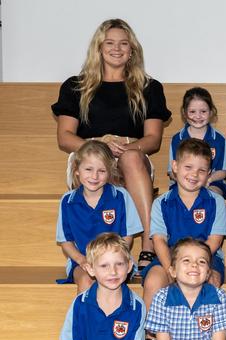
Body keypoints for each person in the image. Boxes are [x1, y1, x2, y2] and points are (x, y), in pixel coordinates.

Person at [51, 18, 171, 271]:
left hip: (132, 151)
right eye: (110, 43)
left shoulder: (149, 88)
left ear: (132, 50)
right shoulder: (75, 86)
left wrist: (126, 149)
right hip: (88, 152)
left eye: (123, 43)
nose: (116, 48)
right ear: (99, 48)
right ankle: (96, 253)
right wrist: (100, 147)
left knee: (131, 158)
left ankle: (148, 246)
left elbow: (153, 139)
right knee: (95, 162)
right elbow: (65, 137)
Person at [143, 138, 226, 311]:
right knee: (154, 280)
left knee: (210, 281)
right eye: (188, 167)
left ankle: (203, 334)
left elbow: (214, 241)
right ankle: (149, 335)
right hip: (169, 257)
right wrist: (172, 269)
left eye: (201, 170)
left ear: (209, 174)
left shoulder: (217, 202)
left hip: (206, 258)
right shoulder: (161, 203)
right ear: (175, 166)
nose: (194, 174)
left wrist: (194, 263)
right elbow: (159, 241)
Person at [56, 140, 142, 294]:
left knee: (112, 279)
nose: (94, 176)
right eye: (88, 169)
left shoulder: (121, 196)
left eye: (101, 171)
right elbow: (66, 242)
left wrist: (112, 260)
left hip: (116, 260)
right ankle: (87, 318)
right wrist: (82, 260)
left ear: (110, 171)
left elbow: (127, 237)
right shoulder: (67, 201)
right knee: (87, 280)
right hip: (82, 261)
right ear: (77, 170)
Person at [169, 87, 226, 196]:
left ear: (211, 112)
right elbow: (172, 171)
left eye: (203, 111)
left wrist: (207, 180)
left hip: (211, 182)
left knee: (213, 194)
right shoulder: (177, 139)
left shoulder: (219, 140)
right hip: (182, 182)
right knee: (176, 195)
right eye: (192, 111)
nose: (198, 116)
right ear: (184, 112)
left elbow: (223, 172)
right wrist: (188, 181)